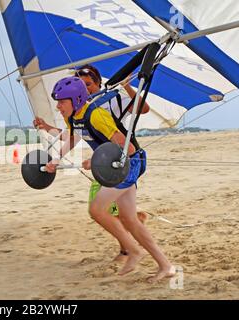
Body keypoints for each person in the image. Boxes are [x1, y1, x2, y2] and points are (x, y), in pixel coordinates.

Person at [45, 76, 175, 282]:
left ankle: (133, 251)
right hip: (115, 164)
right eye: (57, 102)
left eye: (62, 101)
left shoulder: (96, 115)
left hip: (130, 162)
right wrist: (55, 159)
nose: (58, 106)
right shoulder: (72, 117)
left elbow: (128, 148)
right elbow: (71, 137)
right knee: (129, 219)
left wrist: (97, 159)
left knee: (96, 209)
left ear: (76, 99)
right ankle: (166, 266)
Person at [34, 65, 149, 262]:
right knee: (103, 210)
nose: (86, 89)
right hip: (103, 165)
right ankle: (132, 230)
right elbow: (72, 137)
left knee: (104, 210)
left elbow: (143, 109)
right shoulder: (78, 112)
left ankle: (128, 249)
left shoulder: (111, 101)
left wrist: (128, 87)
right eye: (82, 85)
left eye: (89, 85)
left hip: (122, 161)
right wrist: (47, 131)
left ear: (98, 84)